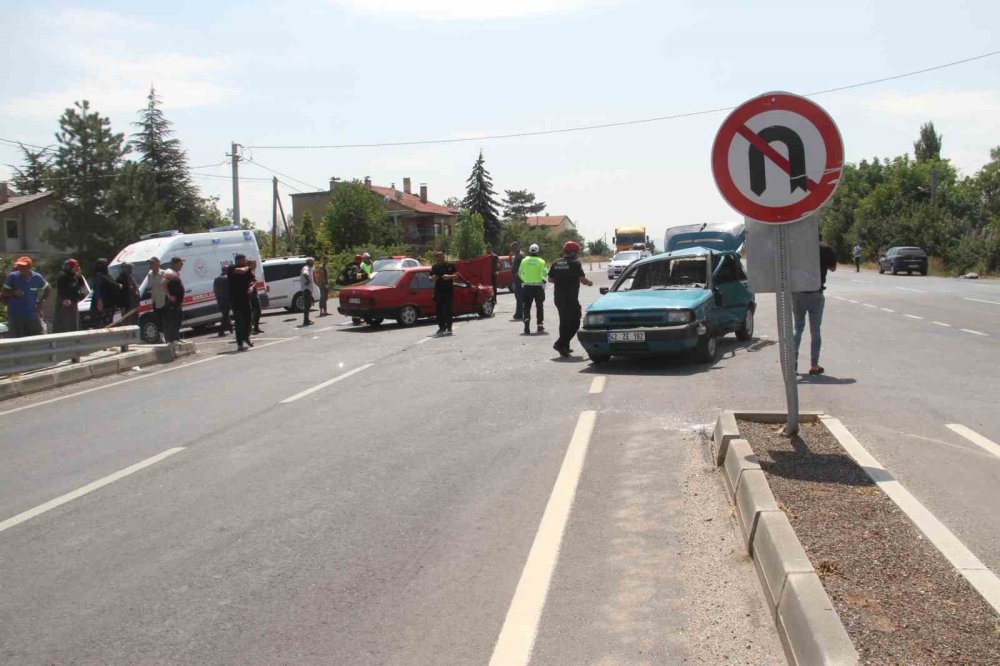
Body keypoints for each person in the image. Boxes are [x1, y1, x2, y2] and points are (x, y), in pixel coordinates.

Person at [793, 240, 838, 375]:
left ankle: (792, 361)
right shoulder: (825, 248)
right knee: (815, 330)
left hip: (797, 292)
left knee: (798, 327)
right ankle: (814, 365)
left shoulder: (796, 246)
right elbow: (833, 267)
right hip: (815, 292)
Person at [548, 241, 594, 357]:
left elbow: (550, 279)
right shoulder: (575, 263)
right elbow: (582, 279)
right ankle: (560, 344)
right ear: (573, 252)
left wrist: (561, 278)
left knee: (563, 321)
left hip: (558, 298)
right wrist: (590, 283)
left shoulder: (556, 263)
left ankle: (565, 346)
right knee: (575, 322)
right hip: (571, 298)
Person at [2, 256, 50, 338]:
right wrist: (14, 292)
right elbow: (4, 292)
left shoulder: (36, 277)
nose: (20, 268)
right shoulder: (13, 277)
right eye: (19, 266)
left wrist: (42, 301)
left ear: (29, 267)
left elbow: (48, 289)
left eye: (23, 266)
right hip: (15, 316)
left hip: (32, 315)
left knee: (37, 339)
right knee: (17, 341)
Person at [518, 243, 548, 335]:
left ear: (529, 251)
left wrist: (525, 280)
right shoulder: (541, 261)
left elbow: (519, 273)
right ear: (538, 251)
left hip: (527, 287)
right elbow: (545, 274)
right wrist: (542, 278)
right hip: (538, 287)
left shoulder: (524, 260)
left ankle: (526, 326)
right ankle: (539, 324)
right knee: (539, 306)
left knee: (526, 306)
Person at [228, 253, 255, 351]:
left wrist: (251, 287)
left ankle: (246, 337)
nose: (244, 262)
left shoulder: (247, 270)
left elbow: (253, 280)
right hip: (235, 299)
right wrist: (249, 266)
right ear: (237, 261)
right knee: (239, 321)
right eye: (243, 260)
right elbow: (240, 271)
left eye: (245, 260)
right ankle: (240, 343)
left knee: (248, 319)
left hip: (245, 298)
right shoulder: (231, 268)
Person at [53, 259, 87, 334]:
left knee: (74, 323)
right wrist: (65, 299)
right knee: (66, 323)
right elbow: (62, 288)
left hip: (73, 302)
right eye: (75, 266)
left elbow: (81, 285)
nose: (77, 268)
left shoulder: (75, 276)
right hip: (66, 302)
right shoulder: (63, 276)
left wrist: (79, 276)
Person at [139, 256, 167, 343]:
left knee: (166, 319)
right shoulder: (150, 275)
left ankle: (169, 336)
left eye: (152, 263)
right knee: (158, 320)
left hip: (164, 300)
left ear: (158, 263)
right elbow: (150, 287)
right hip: (155, 301)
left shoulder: (164, 273)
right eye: (150, 263)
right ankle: (162, 337)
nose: (151, 265)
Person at [429, 251, 457, 334]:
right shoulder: (435, 267)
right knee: (439, 310)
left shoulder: (450, 265)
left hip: (448, 291)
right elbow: (430, 277)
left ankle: (449, 327)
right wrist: (432, 278)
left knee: (448, 309)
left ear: (443, 257)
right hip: (438, 291)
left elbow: (456, 276)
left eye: (439, 256)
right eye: (436, 257)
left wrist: (449, 276)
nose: (437, 258)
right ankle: (442, 327)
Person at [90, 258, 121, 327]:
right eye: (103, 264)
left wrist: (118, 285)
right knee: (102, 324)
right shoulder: (98, 276)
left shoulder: (106, 275)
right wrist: (99, 301)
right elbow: (96, 288)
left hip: (109, 304)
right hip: (103, 305)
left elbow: (113, 283)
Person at [162, 256, 185, 343]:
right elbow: (163, 283)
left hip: (177, 301)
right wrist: (169, 295)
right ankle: (172, 339)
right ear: (175, 264)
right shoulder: (169, 272)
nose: (182, 265)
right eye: (180, 263)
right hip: (172, 302)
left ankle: (176, 337)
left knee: (178, 319)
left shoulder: (175, 272)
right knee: (173, 320)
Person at [213, 266, 232, 336]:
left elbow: (215, 290)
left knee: (225, 314)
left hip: (220, 299)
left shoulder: (216, 279)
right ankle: (221, 330)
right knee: (226, 315)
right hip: (227, 299)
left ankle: (230, 328)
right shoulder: (228, 278)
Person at [247, 259, 263, 334]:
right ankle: (252, 328)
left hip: (252, 294)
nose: (256, 265)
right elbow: (253, 282)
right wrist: (253, 285)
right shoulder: (249, 272)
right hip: (251, 294)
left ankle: (254, 327)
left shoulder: (250, 271)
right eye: (254, 263)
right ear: (250, 264)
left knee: (255, 311)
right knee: (256, 310)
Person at [510, 242, 525, 320]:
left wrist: (518, 274)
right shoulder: (516, 255)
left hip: (520, 279)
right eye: (512, 248)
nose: (513, 250)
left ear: (518, 247)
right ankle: (519, 313)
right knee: (518, 296)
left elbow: (524, 267)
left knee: (519, 296)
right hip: (517, 279)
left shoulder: (521, 255)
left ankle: (519, 314)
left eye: (514, 248)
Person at [300, 257, 316, 326]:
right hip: (306, 290)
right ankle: (305, 321)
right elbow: (305, 274)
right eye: (313, 262)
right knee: (307, 305)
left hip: (309, 290)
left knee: (309, 305)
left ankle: (307, 319)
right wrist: (308, 280)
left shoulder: (310, 268)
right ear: (309, 262)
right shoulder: (306, 268)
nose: (314, 263)